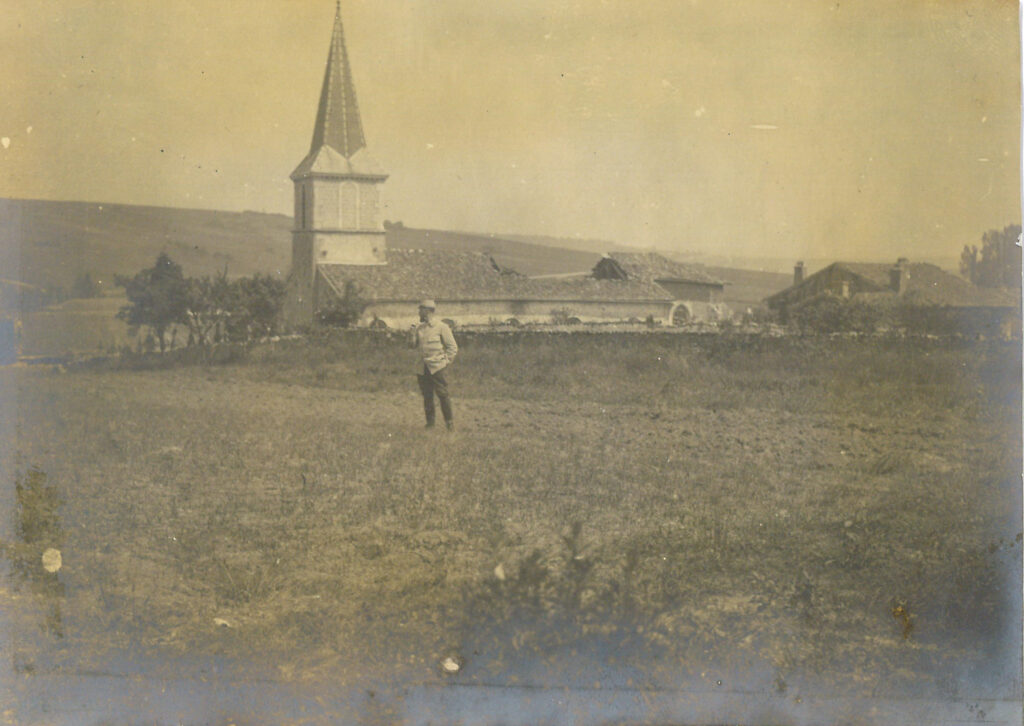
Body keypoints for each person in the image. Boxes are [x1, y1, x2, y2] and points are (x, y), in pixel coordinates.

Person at [409, 299, 458, 430]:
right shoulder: (419, 328)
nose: (419, 312)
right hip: (422, 367)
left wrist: (445, 362)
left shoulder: (442, 327)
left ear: (428, 311)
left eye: (421, 309)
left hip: (437, 367)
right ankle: (430, 424)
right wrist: (412, 335)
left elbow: (452, 347)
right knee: (427, 396)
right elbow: (412, 346)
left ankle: (449, 423)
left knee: (443, 394)